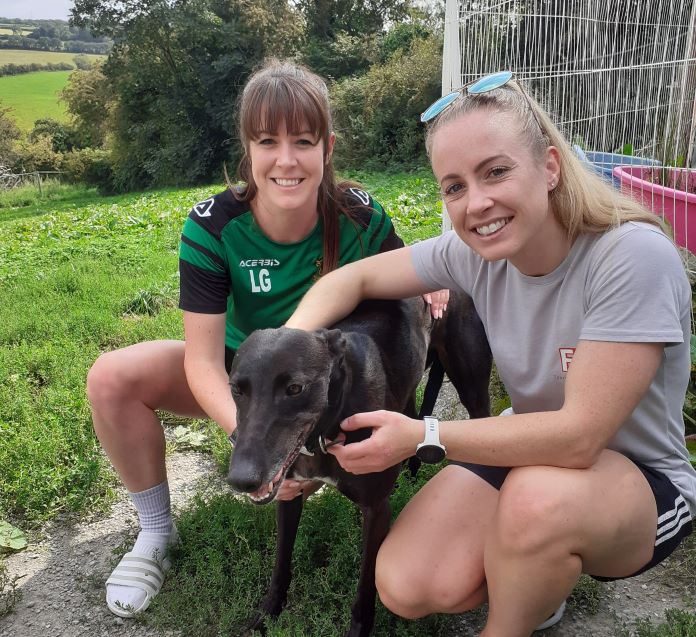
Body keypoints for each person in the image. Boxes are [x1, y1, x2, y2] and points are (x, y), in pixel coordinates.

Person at [285, 71, 696, 636]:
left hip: (643, 482)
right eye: (453, 187)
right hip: (530, 450)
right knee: (408, 582)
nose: (477, 203)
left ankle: (516, 613)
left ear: (549, 167)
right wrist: (287, 355)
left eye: (496, 171)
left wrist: (424, 435)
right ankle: (538, 577)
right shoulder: (474, 252)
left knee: (534, 503)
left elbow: (579, 438)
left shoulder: (630, 256)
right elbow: (346, 283)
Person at [86, 58, 446, 618]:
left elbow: (405, 274)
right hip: (242, 375)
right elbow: (204, 365)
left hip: (321, 376)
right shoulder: (212, 226)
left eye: (303, 141)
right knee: (112, 376)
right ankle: (156, 533)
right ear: (247, 150)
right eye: (267, 141)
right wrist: (259, 445)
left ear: (327, 148)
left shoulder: (359, 215)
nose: (286, 160)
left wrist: (434, 283)